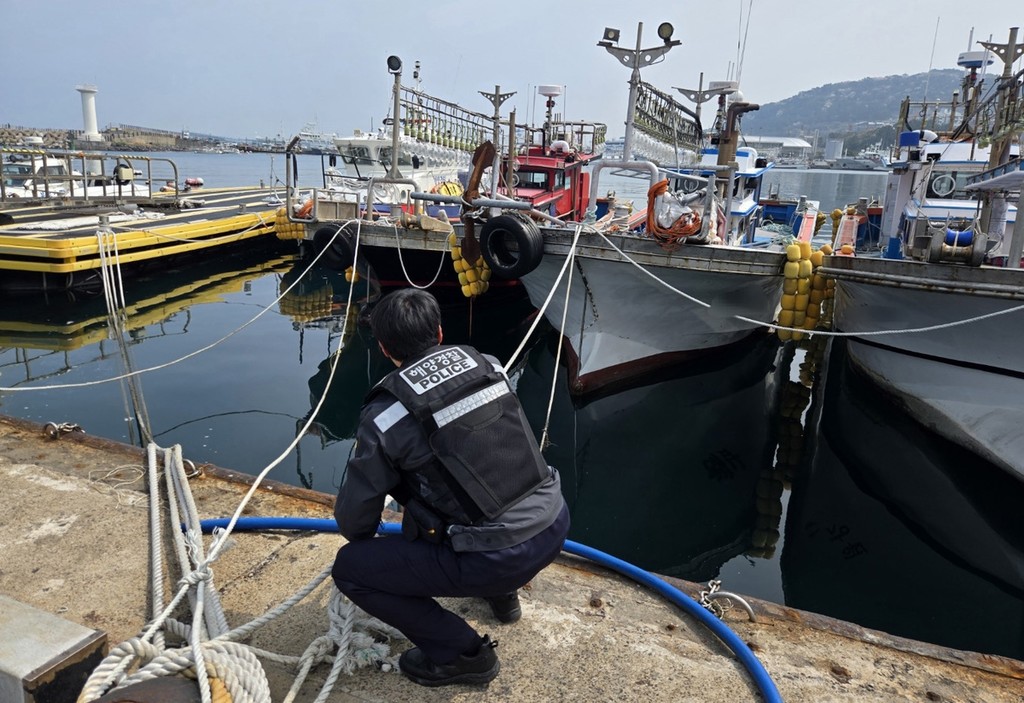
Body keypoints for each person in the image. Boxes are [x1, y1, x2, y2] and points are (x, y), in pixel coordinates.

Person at [332, 288, 570, 687]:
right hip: (555, 522)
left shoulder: (385, 417)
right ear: (440, 332)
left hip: (495, 558)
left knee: (351, 569)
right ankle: (503, 597)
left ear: (384, 347)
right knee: (472, 481)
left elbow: (356, 524)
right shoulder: (488, 365)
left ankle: (464, 655)